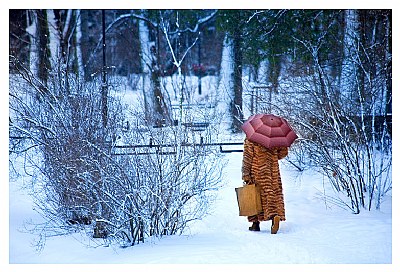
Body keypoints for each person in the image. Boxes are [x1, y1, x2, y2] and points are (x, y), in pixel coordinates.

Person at [241, 137, 288, 234]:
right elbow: (282, 154)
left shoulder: (251, 138)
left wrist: (245, 174)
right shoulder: (276, 136)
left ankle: (255, 224)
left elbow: (247, 157)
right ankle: (275, 216)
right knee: (272, 193)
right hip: (273, 171)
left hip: (257, 170)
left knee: (254, 196)